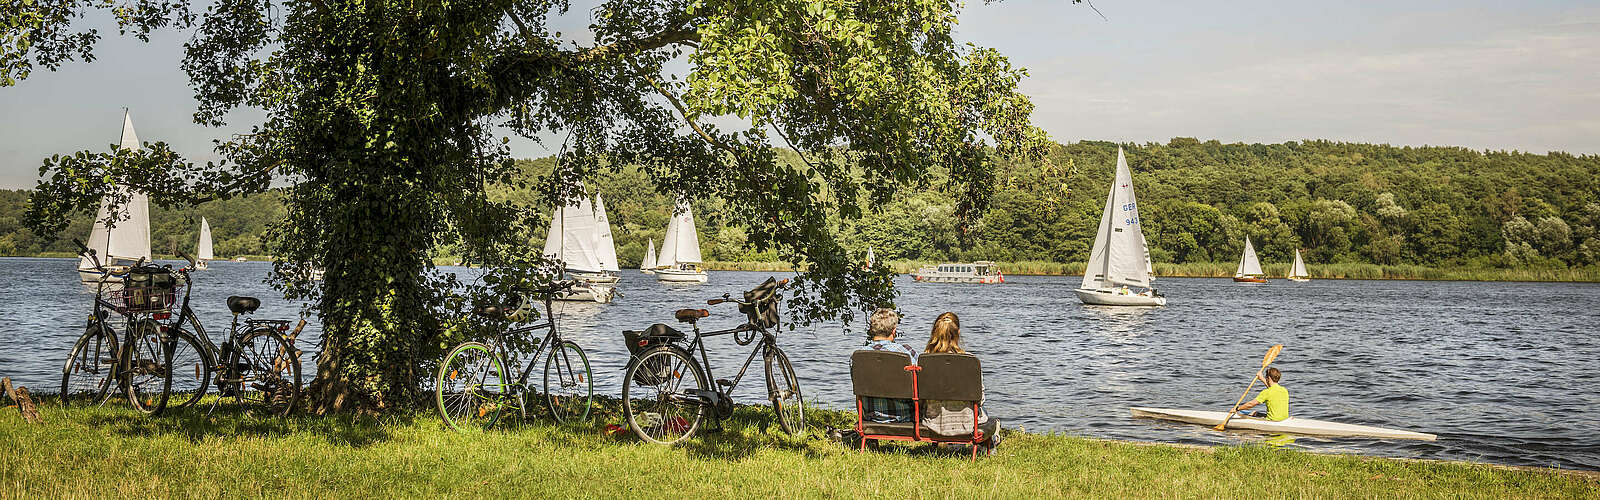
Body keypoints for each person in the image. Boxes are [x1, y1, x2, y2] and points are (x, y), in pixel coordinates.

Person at [921, 312, 1000, 453]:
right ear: (958, 332)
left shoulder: (924, 360)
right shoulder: (970, 361)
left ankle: (955, 443)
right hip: (966, 423)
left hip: (933, 421)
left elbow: (921, 398)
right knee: (984, 412)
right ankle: (991, 440)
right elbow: (980, 399)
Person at [854, 308, 916, 423]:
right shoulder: (906, 352)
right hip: (905, 416)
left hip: (870, 417)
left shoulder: (859, 356)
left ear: (872, 330)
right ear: (894, 331)